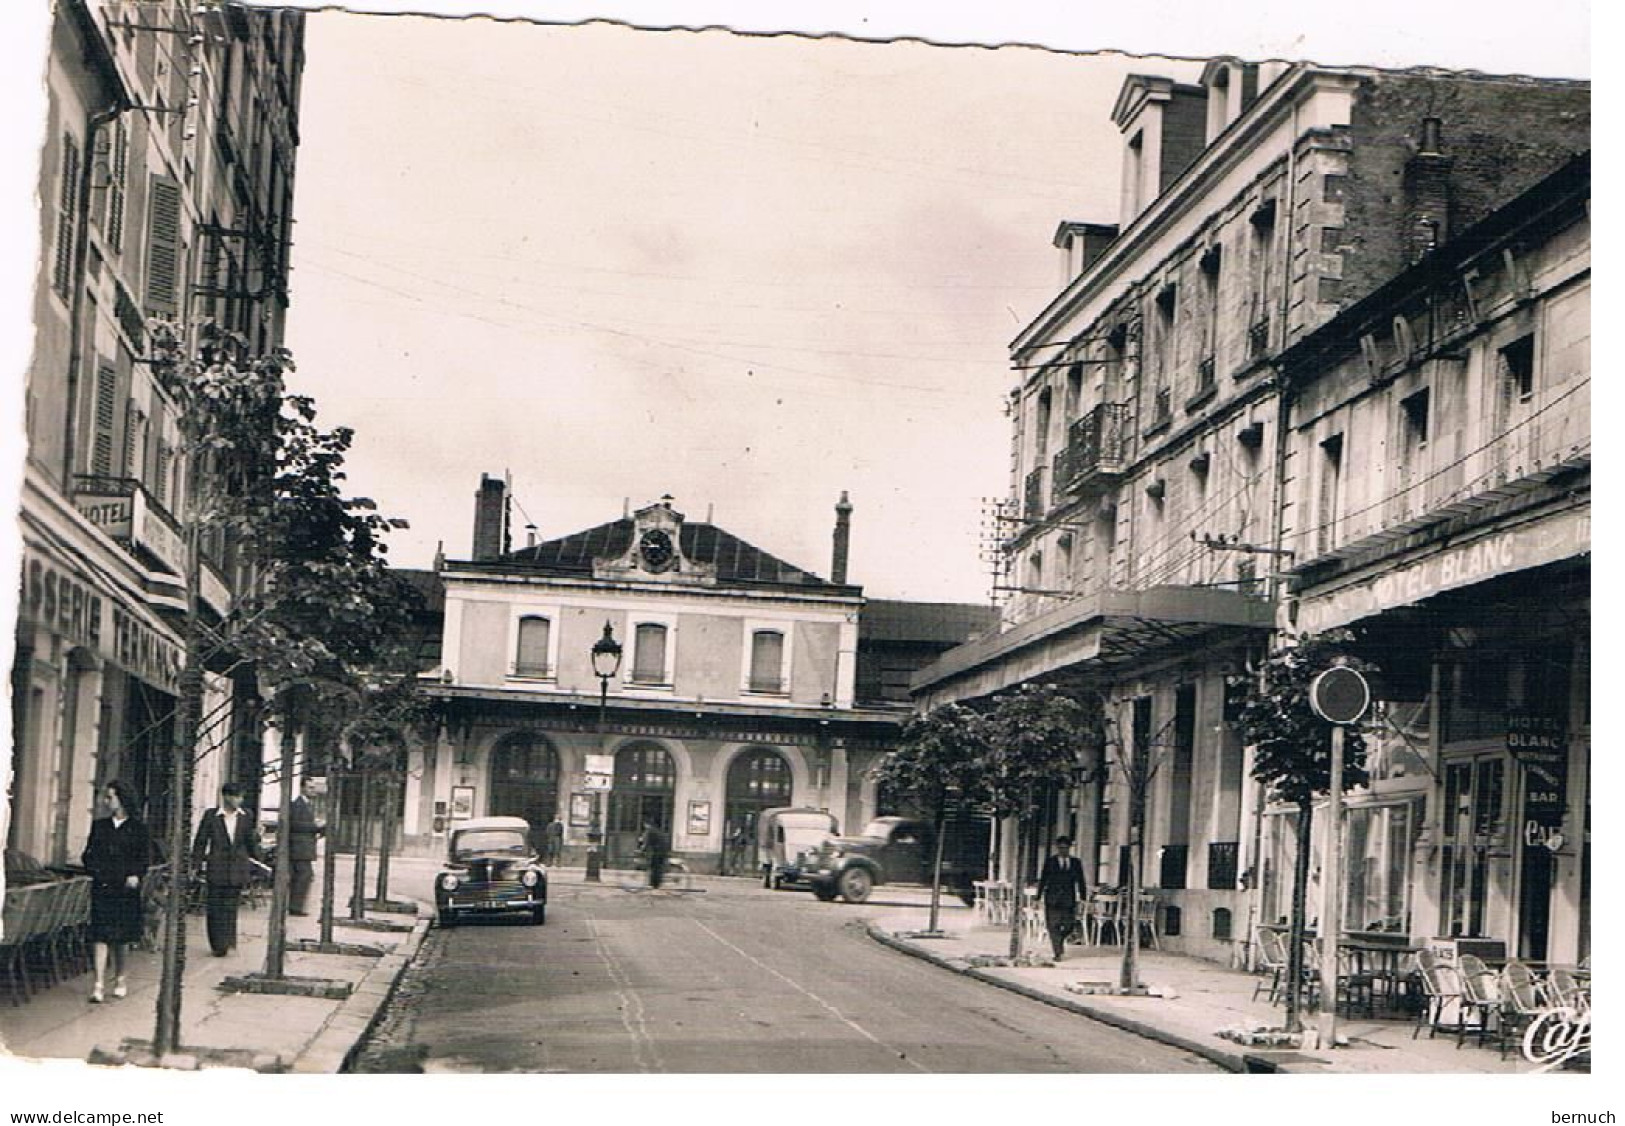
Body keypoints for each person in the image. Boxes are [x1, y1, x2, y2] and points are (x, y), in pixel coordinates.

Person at [81, 780, 152, 1003]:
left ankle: (120, 978)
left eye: (110, 797)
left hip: (125, 890)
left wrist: (135, 875)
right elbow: (88, 855)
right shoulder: (100, 826)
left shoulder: (138, 829)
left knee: (121, 938)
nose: (106, 801)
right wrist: (97, 870)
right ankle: (98, 984)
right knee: (100, 936)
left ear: (122, 799)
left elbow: (144, 859)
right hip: (103, 887)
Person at [191, 782, 265, 956]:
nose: (239, 800)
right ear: (226, 796)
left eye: (241, 797)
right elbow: (201, 841)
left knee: (231, 906)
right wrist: (195, 864)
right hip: (217, 866)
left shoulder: (246, 816)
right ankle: (217, 944)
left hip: (237, 868)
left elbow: (250, 842)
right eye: (236, 796)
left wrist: (260, 862)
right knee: (215, 905)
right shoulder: (211, 816)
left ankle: (227, 940)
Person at [1036, 835, 1088, 962]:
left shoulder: (1076, 862)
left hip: (1068, 899)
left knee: (1069, 925)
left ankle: (1059, 941)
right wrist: (1038, 897)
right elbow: (1043, 879)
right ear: (1057, 848)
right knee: (1053, 926)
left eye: (1065, 848)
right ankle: (1058, 952)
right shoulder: (1050, 862)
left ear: (1069, 848)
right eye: (1060, 848)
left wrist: (1083, 897)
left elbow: (1081, 880)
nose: (1063, 850)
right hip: (1052, 899)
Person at [286, 777, 324, 916]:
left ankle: (297, 905)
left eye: (313, 788)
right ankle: (295, 907)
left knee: (304, 876)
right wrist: (315, 826)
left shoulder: (307, 804)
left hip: (304, 846)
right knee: (303, 876)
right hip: (299, 847)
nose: (313, 791)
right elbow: (295, 825)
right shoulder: (297, 805)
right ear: (302, 788)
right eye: (310, 788)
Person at [640, 819, 670, 890]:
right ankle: (656, 883)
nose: (644, 826)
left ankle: (654, 884)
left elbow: (646, 843)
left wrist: (642, 850)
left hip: (658, 851)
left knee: (654, 867)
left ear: (646, 824)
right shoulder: (656, 830)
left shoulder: (650, 831)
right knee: (657, 867)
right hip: (663, 850)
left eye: (645, 825)